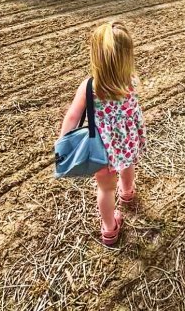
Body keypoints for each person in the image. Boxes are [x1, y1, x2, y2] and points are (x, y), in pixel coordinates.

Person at [59, 20, 146, 246]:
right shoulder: (132, 81)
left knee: (105, 188)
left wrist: (63, 143)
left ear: (96, 55)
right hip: (126, 140)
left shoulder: (90, 86)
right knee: (127, 164)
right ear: (128, 56)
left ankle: (109, 229)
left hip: (101, 148)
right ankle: (127, 192)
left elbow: (72, 117)